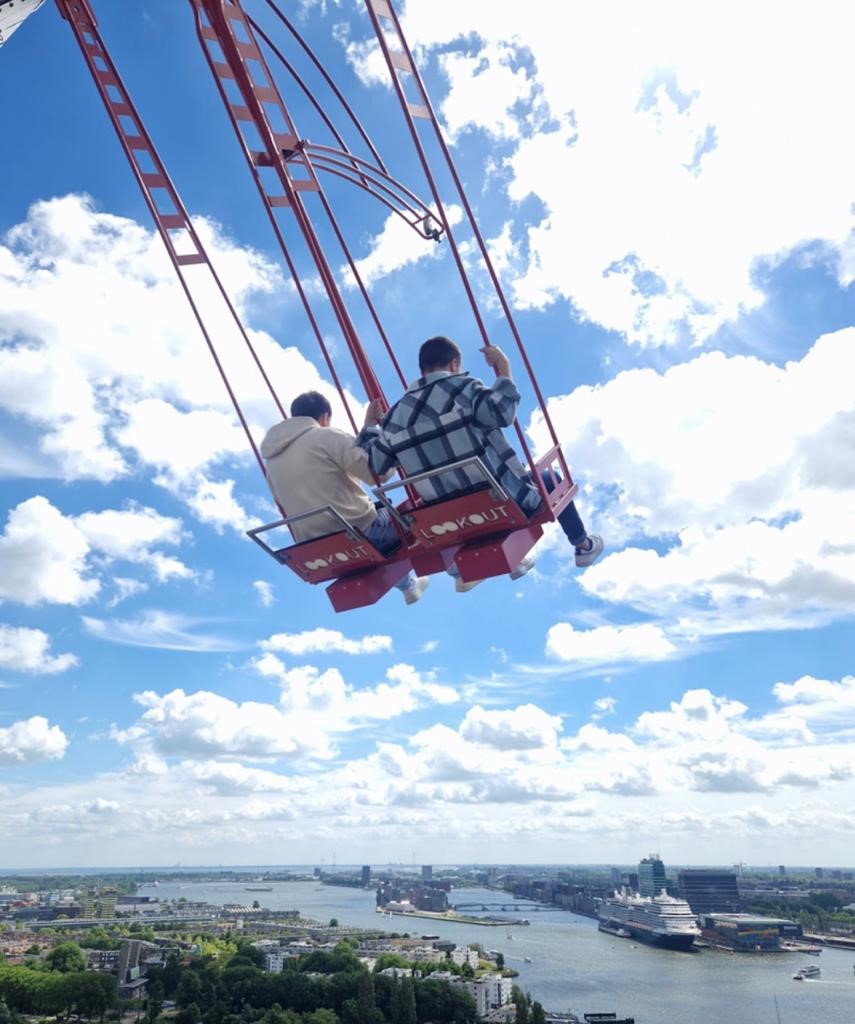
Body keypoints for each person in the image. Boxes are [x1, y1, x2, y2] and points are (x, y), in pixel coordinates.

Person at [356, 336, 603, 587]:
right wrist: (504, 369)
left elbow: (376, 465)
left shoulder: (393, 418)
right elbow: (502, 412)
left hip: (446, 519)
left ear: (422, 370)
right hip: (503, 500)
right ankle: (583, 545)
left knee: (451, 498)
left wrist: (368, 426)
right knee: (550, 479)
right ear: (454, 364)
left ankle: (512, 562)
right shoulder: (464, 388)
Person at [261, 391, 429, 605]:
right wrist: (383, 436)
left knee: (374, 513)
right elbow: (379, 472)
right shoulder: (326, 436)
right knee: (418, 511)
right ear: (324, 417)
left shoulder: (272, 463)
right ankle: (454, 571)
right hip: (362, 534)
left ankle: (408, 586)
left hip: (316, 548)